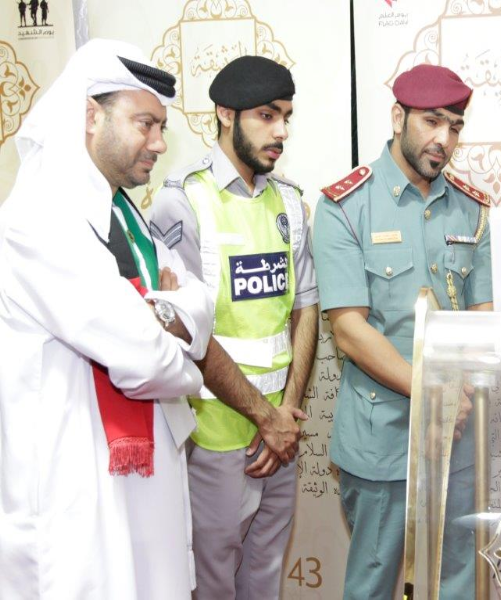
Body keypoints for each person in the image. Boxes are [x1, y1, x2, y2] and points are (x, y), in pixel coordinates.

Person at [0, 39, 214, 599]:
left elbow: (199, 302)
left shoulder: (123, 211)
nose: (160, 143)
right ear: (91, 115)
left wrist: (160, 317)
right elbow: (142, 357)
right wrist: (187, 365)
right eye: (146, 123)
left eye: (161, 126)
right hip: (78, 496)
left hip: (142, 486)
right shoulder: (41, 213)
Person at [313, 63, 493, 599]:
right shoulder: (344, 206)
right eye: (432, 121)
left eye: (456, 125)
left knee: (457, 579)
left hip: (457, 438)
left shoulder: (471, 208)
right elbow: (349, 330)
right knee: (372, 584)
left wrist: (457, 393)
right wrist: (433, 391)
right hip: (380, 440)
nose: (444, 139)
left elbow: (484, 313)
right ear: (398, 117)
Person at [150, 55, 318, 600]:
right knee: (215, 583)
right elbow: (184, 332)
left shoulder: (289, 201)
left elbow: (306, 308)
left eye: (286, 117)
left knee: (265, 578)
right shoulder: (183, 201)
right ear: (225, 113)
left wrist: (285, 416)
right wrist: (264, 418)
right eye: (267, 116)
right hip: (215, 437)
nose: (281, 132)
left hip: (279, 437)